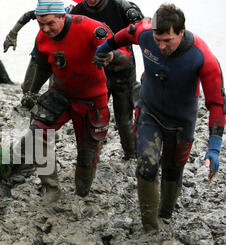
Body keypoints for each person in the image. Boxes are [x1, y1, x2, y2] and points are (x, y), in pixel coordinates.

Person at [94, 4, 225, 231]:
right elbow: (124, 35)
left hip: (181, 122)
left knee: (173, 171)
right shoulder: (144, 33)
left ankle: (165, 214)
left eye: (168, 40)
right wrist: (104, 48)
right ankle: (149, 226)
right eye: (158, 39)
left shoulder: (203, 57)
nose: (162, 46)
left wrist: (214, 146)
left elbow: (217, 103)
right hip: (149, 112)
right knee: (146, 166)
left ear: (181, 32)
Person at [6, 0, 129, 202]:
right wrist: (32, 91)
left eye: (50, 24)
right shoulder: (42, 36)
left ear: (63, 16)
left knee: (86, 158)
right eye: (40, 24)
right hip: (60, 94)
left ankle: (82, 191)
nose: (45, 29)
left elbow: (125, 56)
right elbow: (43, 65)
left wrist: (111, 56)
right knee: (37, 134)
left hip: (92, 100)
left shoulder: (91, 28)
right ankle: (51, 188)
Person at [70, 0, 143, 160]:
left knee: (124, 119)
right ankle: (90, 157)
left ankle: (131, 155)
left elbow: (145, 35)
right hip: (96, 71)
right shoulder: (78, 10)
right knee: (93, 117)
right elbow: (67, 41)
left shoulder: (122, 7)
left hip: (123, 71)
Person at [2, 1, 79, 109]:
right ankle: (28, 110)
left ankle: (49, 113)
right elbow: (28, 15)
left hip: (60, 58)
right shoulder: (50, 11)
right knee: (27, 90)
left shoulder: (77, 18)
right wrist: (12, 34)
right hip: (39, 53)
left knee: (54, 92)